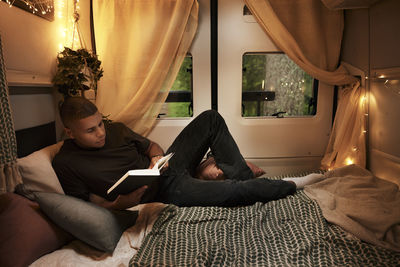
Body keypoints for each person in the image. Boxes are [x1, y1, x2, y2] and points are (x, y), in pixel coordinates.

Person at [53, 97, 323, 210]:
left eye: (100, 123)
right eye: (91, 130)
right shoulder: (66, 163)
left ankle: (247, 181)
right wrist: (119, 204)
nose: (100, 132)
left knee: (210, 118)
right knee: (232, 192)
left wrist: (157, 159)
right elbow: (85, 204)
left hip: (167, 169)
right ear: (69, 132)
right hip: (161, 192)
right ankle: (290, 185)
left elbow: (153, 148)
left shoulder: (115, 129)